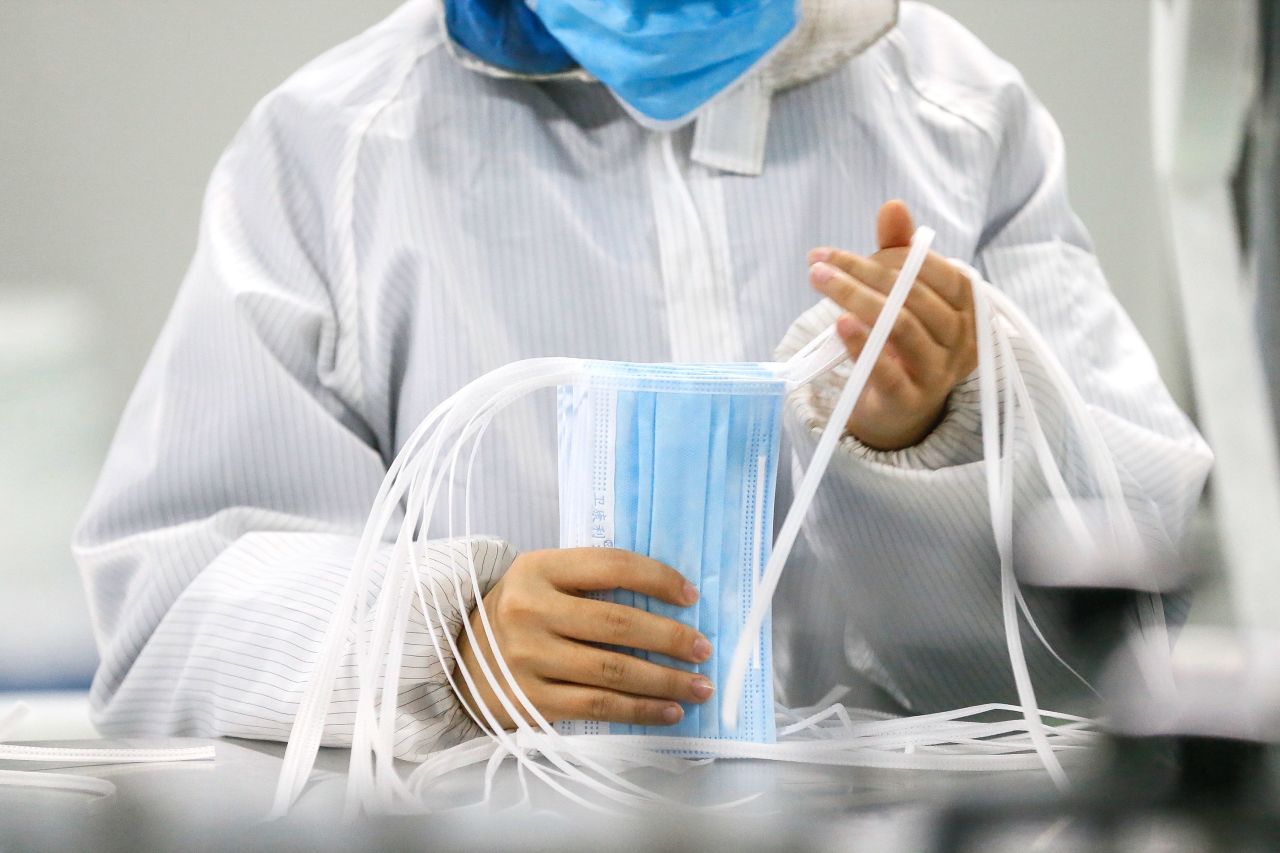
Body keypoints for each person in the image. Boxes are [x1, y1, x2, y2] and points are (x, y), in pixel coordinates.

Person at [73, 0, 1212, 758]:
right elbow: (166, 620)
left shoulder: (959, 122)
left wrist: (947, 426)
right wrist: (445, 643)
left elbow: (1134, 600)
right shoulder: (331, 154)